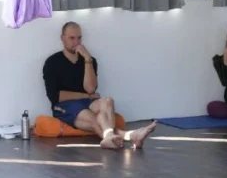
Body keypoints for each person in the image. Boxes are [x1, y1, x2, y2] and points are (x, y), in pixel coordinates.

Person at [43, 22, 157, 151]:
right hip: (64, 105)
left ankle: (111, 138)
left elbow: (91, 89)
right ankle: (129, 136)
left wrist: (87, 59)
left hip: (87, 101)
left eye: (79, 38)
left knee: (108, 101)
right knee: (95, 118)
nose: (76, 42)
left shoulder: (90, 60)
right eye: (72, 38)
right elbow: (55, 96)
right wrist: (86, 96)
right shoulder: (52, 62)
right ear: (62, 38)